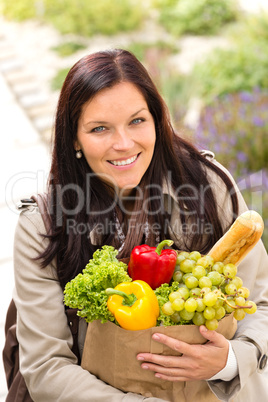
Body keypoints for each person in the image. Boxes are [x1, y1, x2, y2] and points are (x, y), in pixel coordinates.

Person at [13, 49, 268, 402]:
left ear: (157, 119)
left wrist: (228, 362)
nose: (123, 144)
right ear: (74, 138)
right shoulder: (42, 227)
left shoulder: (209, 187)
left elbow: (261, 299)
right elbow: (46, 366)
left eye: (136, 121)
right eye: (99, 128)